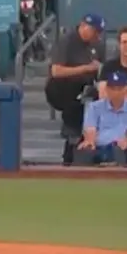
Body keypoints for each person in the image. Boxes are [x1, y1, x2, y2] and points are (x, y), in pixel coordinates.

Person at [46, 13, 106, 162]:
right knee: (75, 104)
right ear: (84, 27)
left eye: (99, 33)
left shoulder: (98, 44)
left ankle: (86, 145)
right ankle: (72, 141)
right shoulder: (67, 41)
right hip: (61, 87)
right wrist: (86, 68)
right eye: (94, 32)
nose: (97, 36)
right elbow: (56, 71)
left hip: (87, 86)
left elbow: (102, 70)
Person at [74, 71, 127, 167]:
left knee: (120, 151)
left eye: (119, 89)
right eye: (112, 89)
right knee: (85, 150)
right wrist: (90, 141)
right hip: (98, 146)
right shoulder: (95, 107)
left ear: (126, 90)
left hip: (121, 147)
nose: (116, 92)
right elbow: (90, 128)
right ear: (107, 90)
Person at [98, 26, 127, 99]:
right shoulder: (108, 67)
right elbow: (102, 95)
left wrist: (116, 93)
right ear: (119, 45)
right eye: (124, 42)